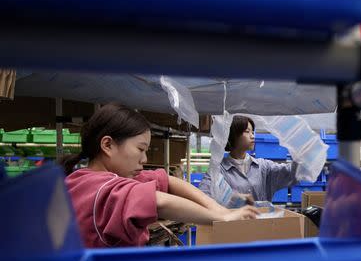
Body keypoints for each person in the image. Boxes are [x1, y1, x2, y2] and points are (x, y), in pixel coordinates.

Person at [61, 103, 259, 248]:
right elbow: (158, 202)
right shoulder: (100, 189)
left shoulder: (102, 178)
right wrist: (221, 218)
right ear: (107, 145)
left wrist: (220, 210)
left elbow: (168, 181)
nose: (145, 159)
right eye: (140, 149)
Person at [198, 115, 299, 205]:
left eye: (252, 132)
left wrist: (301, 154)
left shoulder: (263, 167)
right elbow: (203, 195)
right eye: (247, 131)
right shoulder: (219, 170)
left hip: (262, 224)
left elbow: (291, 173)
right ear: (233, 135)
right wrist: (231, 198)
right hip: (233, 224)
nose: (252, 136)